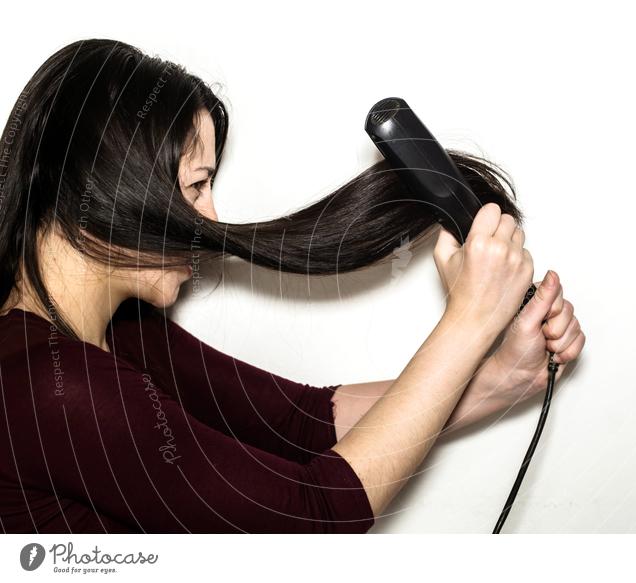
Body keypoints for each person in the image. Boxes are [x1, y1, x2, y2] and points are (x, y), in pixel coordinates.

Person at [0, 39, 585, 533]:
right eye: (197, 184)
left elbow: (302, 423)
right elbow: (308, 520)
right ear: (110, 183)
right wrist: (470, 321)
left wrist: (501, 376)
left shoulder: (122, 333)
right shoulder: (48, 387)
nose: (210, 216)